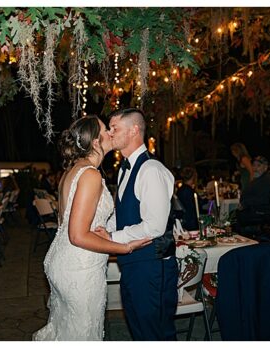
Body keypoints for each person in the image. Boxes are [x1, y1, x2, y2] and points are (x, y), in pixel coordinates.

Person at [34, 116, 151, 341]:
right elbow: (78, 235)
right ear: (96, 142)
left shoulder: (72, 172)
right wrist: (124, 247)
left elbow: (68, 224)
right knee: (83, 334)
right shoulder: (90, 175)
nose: (111, 132)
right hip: (80, 267)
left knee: (66, 331)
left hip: (64, 260)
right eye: (106, 129)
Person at [101, 108, 178, 340]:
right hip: (133, 265)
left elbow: (154, 226)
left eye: (115, 128)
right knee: (140, 333)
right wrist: (107, 230)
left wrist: (112, 239)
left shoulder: (151, 170)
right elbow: (123, 211)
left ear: (134, 130)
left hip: (152, 267)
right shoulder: (125, 169)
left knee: (155, 334)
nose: (110, 133)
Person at [237, 156, 270, 234]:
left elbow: (263, 199)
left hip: (258, 212)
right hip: (253, 210)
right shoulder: (259, 179)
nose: (255, 168)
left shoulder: (266, 180)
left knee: (233, 219)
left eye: (258, 166)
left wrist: (245, 203)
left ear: (265, 168)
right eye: (254, 165)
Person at [175, 167, 200, 231]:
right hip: (191, 222)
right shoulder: (189, 191)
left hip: (184, 220)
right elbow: (198, 205)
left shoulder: (180, 190)